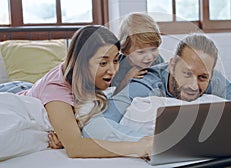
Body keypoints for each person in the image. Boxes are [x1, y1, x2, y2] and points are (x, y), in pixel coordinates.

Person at [82, 33, 231, 141]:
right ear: (172, 65)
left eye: (202, 77)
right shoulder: (145, 84)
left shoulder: (214, 80)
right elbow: (94, 128)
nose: (193, 86)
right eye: (186, 73)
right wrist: (152, 142)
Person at [17, 25, 152, 158]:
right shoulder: (56, 91)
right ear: (81, 62)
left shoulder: (84, 75)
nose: (112, 70)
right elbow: (76, 148)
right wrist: (136, 147)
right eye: (103, 63)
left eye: (115, 60)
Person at [111, 12, 165, 95]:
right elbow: (114, 95)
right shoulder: (119, 66)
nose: (149, 57)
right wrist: (126, 79)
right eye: (141, 52)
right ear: (125, 51)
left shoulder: (157, 60)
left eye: (153, 49)